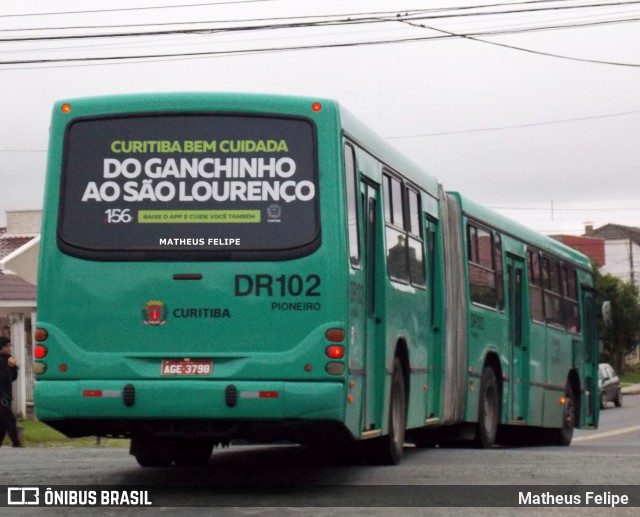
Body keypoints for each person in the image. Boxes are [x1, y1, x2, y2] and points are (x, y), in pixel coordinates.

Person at [0, 336, 22, 447]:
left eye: (10, 346)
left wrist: (13, 368)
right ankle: (16, 443)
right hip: (1, 396)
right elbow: (2, 377)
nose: (9, 348)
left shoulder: (8, 358)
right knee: (10, 419)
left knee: (3, 422)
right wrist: (8, 367)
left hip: (6, 395)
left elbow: (12, 378)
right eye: (6, 346)